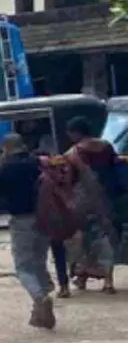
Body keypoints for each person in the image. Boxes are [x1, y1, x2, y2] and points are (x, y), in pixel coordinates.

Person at [0, 134, 55, 329]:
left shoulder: (5, 168)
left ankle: (40, 298)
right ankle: (42, 309)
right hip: (44, 217)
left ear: (6, 148)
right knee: (39, 262)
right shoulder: (37, 163)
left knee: (23, 267)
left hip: (21, 220)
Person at [64, 116, 118, 294]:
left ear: (76, 133)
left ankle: (81, 277)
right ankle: (108, 281)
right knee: (106, 237)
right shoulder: (107, 146)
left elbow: (68, 180)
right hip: (107, 199)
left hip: (82, 200)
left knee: (80, 239)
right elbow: (115, 168)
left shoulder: (73, 153)